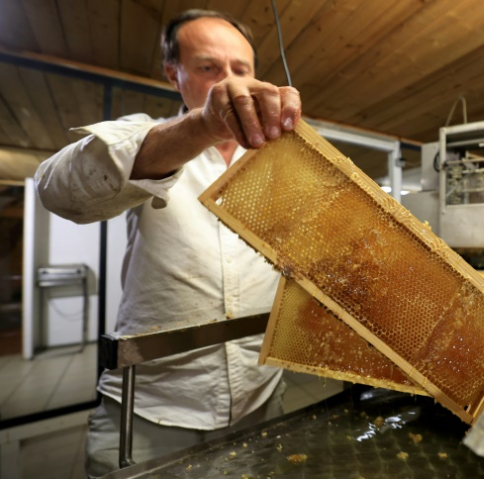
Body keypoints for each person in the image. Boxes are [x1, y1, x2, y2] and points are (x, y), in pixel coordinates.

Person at [34, 9, 301, 477]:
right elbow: (58, 190)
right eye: (208, 68)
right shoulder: (147, 135)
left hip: (263, 396)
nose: (228, 83)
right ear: (173, 73)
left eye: (241, 69)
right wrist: (202, 127)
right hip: (155, 407)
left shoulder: (279, 161)